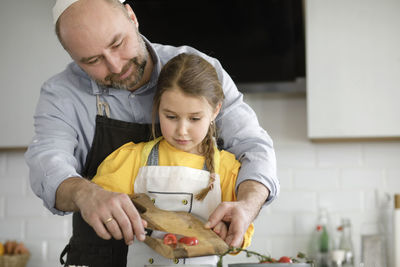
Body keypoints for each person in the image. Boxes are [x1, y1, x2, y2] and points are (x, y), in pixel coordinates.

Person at [24, 0, 279, 266]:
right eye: (93, 60)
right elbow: (47, 161)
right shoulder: (61, 94)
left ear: (132, 17)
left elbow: (253, 146)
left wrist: (248, 205)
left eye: (117, 44)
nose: (115, 66)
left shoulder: (197, 70)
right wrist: (84, 193)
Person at [91, 53, 254, 266]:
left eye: (195, 118)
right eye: (171, 117)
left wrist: (230, 233)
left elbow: (241, 235)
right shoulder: (131, 159)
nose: (182, 130)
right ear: (157, 107)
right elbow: (101, 208)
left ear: (215, 111)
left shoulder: (228, 169)